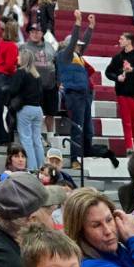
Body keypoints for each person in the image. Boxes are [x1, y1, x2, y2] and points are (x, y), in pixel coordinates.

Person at [62, 187, 134, 267]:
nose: (108, 231)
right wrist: (133, 239)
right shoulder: (89, 266)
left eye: (109, 220)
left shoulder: (120, 252)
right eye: (96, 225)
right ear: (80, 232)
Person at [58, 10, 95, 168]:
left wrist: (91, 27)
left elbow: (83, 42)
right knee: (78, 128)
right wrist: (78, 23)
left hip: (85, 94)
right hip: (74, 95)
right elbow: (74, 41)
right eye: (76, 46)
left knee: (88, 129)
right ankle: (75, 159)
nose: (80, 47)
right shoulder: (64, 56)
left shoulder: (78, 56)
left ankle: (86, 154)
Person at [105, 32, 134, 153]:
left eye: (122, 39)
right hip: (121, 93)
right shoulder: (117, 57)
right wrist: (117, 78)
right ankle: (129, 148)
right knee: (126, 122)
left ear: (129, 41)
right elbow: (108, 72)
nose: (119, 40)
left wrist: (133, 69)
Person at [8, 48, 45, 171]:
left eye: (19, 56)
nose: (17, 58)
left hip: (25, 109)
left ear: (23, 59)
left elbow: (13, 90)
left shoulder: (20, 72)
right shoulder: (37, 75)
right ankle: (42, 167)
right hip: (38, 109)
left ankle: (32, 168)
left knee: (26, 140)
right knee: (37, 140)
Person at [22, 21, 58, 142]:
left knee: (50, 113)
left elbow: (56, 63)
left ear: (42, 33)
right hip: (33, 87)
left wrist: (59, 81)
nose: (34, 34)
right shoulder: (24, 47)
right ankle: (37, 136)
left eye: (37, 31)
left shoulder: (50, 46)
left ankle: (50, 137)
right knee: (35, 113)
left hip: (50, 85)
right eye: (32, 32)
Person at [0, 18, 20, 146]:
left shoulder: (1, 42)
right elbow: (9, 66)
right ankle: (5, 137)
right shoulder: (12, 46)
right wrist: (18, 69)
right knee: (6, 109)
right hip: (3, 77)